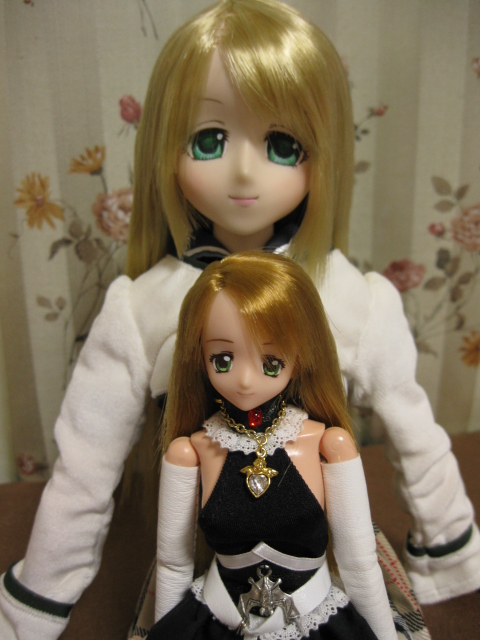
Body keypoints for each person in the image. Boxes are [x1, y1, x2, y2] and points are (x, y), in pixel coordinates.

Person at [1, 1, 478, 638]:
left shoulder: (352, 297)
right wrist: (36, 601)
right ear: (165, 149)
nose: (245, 171)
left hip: (323, 560)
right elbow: (84, 470)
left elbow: (416, 435)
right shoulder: (142, 308)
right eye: (210, 140)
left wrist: (450, 547)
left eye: (283, 145)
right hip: (209, 563)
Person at [147, 251, 397, 640]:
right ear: (199, 356)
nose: (246, 381)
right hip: (218, 616)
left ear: (301, 357)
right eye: (223, 359)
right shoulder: (190, 451)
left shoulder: (328, 443)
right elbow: (173, 564)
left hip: (313, 616)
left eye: (271, 362)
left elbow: (359, 563)